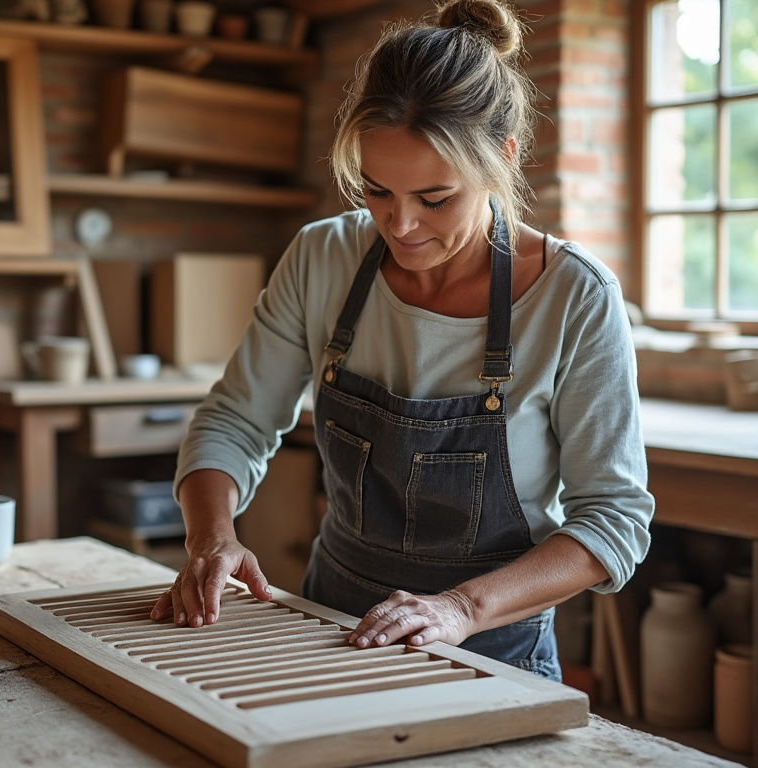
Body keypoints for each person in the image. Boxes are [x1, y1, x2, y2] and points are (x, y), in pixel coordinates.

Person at [149, 0, 653, 681]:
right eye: (377, 189)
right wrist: (213, 540)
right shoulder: (322, 258)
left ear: (502, 158)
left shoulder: (575, 297)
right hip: (330, 629)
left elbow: (612, 521)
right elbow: (235, 421)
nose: (402, 224)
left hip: (490, 651)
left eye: (436, 198)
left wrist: (461, 608)